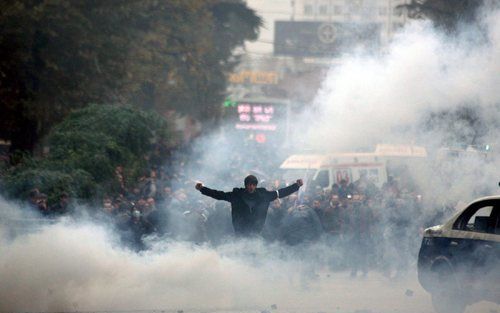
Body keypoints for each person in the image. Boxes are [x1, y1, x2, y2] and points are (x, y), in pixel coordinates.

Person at [195, 175, 303, 236]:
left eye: (253, 185)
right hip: (240, 233)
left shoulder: (264, 195)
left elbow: (281, 192)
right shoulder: (236, 195)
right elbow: (219, 194)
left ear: (256, 185)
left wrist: (296, 186)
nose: (251, 187)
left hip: (256, 233)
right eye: (248, 184)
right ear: (245, 185)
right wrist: (202, 189)